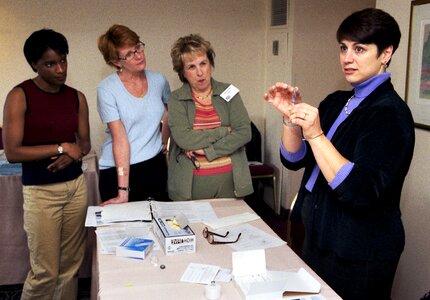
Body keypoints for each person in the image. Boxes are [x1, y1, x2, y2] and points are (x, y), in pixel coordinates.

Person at [264, 8, 415, 300]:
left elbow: (358, 190)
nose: (347, 58)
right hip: (321, 237)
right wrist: (290, 119)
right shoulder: (336, 101)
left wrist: (317, 134)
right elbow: (294, 160)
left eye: (359, 48)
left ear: (386, 53)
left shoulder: (390, 114)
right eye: (344, 48)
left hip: (360, 250)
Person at [2, 29, 91, 300]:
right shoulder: (20, 95)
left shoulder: (76, 97)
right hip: (41, 193)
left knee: (69, 268)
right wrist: (62, 147)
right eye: (50, 64)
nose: (60, 69)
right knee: (45, 272)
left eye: (63, 61)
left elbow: (85, 144)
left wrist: (75, 153)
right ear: (34, 65)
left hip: (75, 188)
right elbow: (13, 152)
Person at [168, 34, 253, 200]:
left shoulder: (229, 91)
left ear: (210, 64)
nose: (200, 72)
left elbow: (244, 132)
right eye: (191, 67)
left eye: (203, 63)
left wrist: (208, 151)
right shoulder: (176, 98)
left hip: (231, 184)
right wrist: (224, 132)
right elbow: (184, 139)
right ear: (183, 72)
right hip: (190, 188)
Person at [97, 24, 170, 205]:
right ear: (116, 62)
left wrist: (163, 142)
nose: (138, 55)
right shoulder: (107, 89)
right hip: (119, 171)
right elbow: (120, 139)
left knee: (160, 228)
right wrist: (123, 191)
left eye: (138, 47)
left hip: (154, 165)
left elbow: (171, 112)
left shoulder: (159, 80)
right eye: (129, 54)